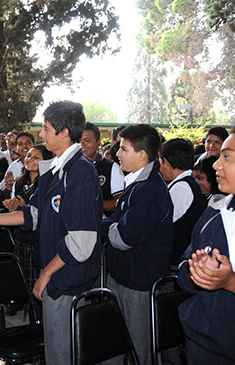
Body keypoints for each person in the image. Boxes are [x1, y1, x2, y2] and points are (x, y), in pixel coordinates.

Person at [0, 101, 102, 364]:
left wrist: (46, 273)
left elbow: (81, 241)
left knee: (62, 355)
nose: (41, 135)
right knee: (56, 351)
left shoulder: (79, 171)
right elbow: (32, 214)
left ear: (64, 132)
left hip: (67, 281)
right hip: (59, 279)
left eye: (46, 129)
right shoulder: (55, 170)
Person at [102, 124, 173, 365]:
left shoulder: (149, 190)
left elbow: (124, 237)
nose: (117, 154)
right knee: (117, 342)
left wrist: (102, 225)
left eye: (123, 149)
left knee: (139, 348)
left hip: (139, 284)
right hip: (125, 277)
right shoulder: (138, 184)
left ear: (142, 154)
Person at [177, 130, 235, 363]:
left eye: (228, 157)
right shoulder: (214, 212)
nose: (217, 165)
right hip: (205, 343)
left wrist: (229, 281)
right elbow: (184, 266)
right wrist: (196, 271)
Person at [2, 145, 53, 293]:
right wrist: (12, 206)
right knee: (22, 282)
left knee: (35, 283)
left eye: (36, 157)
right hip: (20, 239)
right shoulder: (19, 182)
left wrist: (24, 207)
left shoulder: (46, 184)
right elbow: (14, 206)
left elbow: (42, 213)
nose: (30, 159)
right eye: (29, 156)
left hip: (36, 240)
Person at [159, 138, 205, 266]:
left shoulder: (182, 187)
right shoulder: (185, 183)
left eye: (160, 163)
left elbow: (163, 222)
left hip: (175, 255)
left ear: (166, 162)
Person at [81, 122, 124, 216]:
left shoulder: (111, 167)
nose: (82, 144)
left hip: (101, 226)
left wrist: (88, 204)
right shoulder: (68, 167)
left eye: (87, 140)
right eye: (78, 140)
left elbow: (118, 201)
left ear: (98, 142)